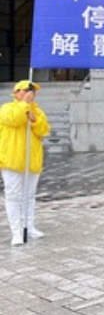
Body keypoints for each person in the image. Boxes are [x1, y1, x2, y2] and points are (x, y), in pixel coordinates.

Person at [0, 80, 51, 246]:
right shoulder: (7, 108)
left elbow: (44, 130)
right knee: (13, 196)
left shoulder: (38, 111)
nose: (30, 94)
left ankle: (28, 226)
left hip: (32, 161)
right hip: (12, 160)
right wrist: (24, 106)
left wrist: (34, 119)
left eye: (33, 91)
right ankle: (16, 231)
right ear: (16, 93)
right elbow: (14, 119)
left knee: (29, 196)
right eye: (26, 90)